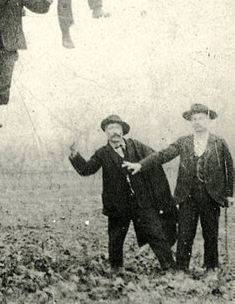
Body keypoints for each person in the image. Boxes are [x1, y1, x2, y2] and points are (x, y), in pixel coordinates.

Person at [124, 103, 234, 275]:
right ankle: (182, 268)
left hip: (211, 196)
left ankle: (211, 267)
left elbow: (229, 168)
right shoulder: (184, 142)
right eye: (194, 119)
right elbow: (163, 155)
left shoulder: (219, 142)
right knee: (185, 234)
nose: (197, 122)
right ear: (190, 122)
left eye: (201, 118)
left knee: (210, 233)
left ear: (208, 120)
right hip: (187, 196)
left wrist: (229, 194)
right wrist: (140, 165)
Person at [69, 115, 177, 273]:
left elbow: (154, 159)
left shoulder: (137, 146)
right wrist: (74, 155)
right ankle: (116, 269)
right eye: (110, 129)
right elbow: (86, 169)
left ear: (122, 131)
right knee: (116, 239)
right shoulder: (102, 153)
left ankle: (169, 267)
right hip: (117, 204)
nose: (114, 132)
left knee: (156, 234)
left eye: (117, 128)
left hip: (142, 202)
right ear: (106, 132)